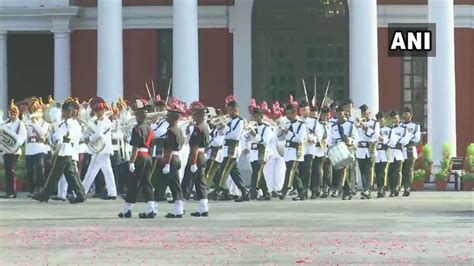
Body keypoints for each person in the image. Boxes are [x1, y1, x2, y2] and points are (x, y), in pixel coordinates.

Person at [31, 100, 86, 203]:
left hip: (64, 150)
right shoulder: (66, 123)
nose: (62, 113)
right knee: (70, 175)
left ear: (69, 112)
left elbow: (64, 134)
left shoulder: (71, 123)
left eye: (64, 111)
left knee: (55, 175)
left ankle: (44, 195)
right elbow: (57, 134)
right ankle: (80, 194)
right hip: (65, 150)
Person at [118, 102, 155, 218]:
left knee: (133, 184)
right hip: (148, 157)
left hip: (139, 157)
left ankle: (126, 210)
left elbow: (135, 147)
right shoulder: (150, 129)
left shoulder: (137, 128)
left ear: (140, 117)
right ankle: (151, 209)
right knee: (146, 183)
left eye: (137, 116)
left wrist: (132, 162)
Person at [81, 97, 117, 200]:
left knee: (91, 171)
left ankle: (82, 191)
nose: (96, 113)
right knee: (108, 171)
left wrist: (89, 139)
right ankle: (112, 192)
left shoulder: (102, 120)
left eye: (97, 111)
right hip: (106, 149)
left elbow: (98, 134)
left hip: (100, 149)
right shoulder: (107, 120)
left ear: (101, 110)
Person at [214, 101, 249, 202]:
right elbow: (221, 134)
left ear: (235, 110)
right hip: (226, 148)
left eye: (230, 110)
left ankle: (218, 190)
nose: (228, 112)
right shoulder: (229, 120)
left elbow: (235, 136)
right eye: (227, 110)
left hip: (233, 148)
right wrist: (219, 126)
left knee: (223, 170)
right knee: (234, 173)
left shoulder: (240, 121)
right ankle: (244, 192)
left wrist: (225, 127)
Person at [181, 103, 211, 216]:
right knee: (200, 183)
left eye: (194, 115)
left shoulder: (198, 128)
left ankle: (180, 207)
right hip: (202, 156)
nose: (192, 117)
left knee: (187, 182)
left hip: (196, 157)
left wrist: (193, 163)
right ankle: (203, 208)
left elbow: (194, 147)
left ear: (199, 115)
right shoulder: (205, 126)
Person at [160, 109, 187, 218]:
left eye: (169, 117)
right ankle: (178, 210)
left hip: (171, 159)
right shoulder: (179, 129)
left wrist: (166, 164)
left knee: (161, 186)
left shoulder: (171, 131)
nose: (167, 118)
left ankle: (151, 209)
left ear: (174, 118)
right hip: (177, 158)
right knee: (175, 186)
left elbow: (169, 149)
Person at [328, 106, 359, 200]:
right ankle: (347, 191)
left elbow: (356, 138)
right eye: (337, 114)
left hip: (347, 149)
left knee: (344, 169)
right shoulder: (333, 126)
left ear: (344, 114)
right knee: (341, 170)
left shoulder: (350, 125)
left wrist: (349, 140)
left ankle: (340, 187)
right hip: (338, 150)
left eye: (340, 114)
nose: (339, 116)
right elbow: (331, 139)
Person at [279, 103, 307, 200]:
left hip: (296, 151)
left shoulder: (301, 125)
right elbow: (281, 138)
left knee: (290, 171)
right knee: (295, 173)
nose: (288, 116)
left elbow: (299, 139)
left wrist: (289, 133)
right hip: (288, 151)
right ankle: (301, 192)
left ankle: (284, 191)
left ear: (295, 113)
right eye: (287, 114)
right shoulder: (286, 124)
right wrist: (280, 131)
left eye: (290, 114)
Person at [1, 100, 27, 198]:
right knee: (8, 171)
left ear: (18, 114)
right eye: (11, 114)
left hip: (14, 151)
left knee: (11, 171)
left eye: (14, 114)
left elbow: (22, 137)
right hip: (5, 150)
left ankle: (12, 192)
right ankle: (8, 191)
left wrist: (15, 144)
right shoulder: (6, 123)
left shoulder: (20, 124)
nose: (12, 115)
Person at [24, 97, 50, 195]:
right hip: (30, 148)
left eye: (37, 110)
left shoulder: (45, 123)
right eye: (33, 109)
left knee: (40, 167)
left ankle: (40, 187)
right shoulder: (27, 122)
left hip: (40, 147)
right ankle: (31, 188)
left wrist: (35, 122)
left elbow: (42, 133)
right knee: (29, 170)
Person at [246, 107, 272, 201]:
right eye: (253, 117)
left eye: (256, 117)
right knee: (259, 174)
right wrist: (248, 133)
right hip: (253, 153)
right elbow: (247, 139)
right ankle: (266, 193)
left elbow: (265, 141)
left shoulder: (266, 128)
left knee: (256, 173)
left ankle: (253, 191)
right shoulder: (252, 126)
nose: (254, 119)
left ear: (261, 117)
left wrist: (255, 135)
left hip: (261, 153)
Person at [355, 104, 380, 199]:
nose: (365, 115)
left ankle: (367, 190)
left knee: (369, 169)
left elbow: (376, 135)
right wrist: (358, 125)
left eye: (367, 113)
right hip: (361, 149)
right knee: (362, 170)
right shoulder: (357, 123)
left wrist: (365, 127)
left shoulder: (375, 123)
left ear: (369, 113)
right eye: (363, 114)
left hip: (370, 148)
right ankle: (366, 188)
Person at [387, 111, 412, 197]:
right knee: (390, 172)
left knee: (397, 171)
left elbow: (405, 140)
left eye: (396, 118)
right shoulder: (388, 128)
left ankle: (397, 188)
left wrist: (394, 140)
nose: (394, 120)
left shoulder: (403, 128)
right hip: (390, 151)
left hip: (398, 151)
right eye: (393, 118)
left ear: (399, 119)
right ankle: (392, 189)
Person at [150, 100, 171, 202]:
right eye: (156, 109)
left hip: (162, 149)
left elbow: (158, 133)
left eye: (160, 109)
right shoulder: (159, 121)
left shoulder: (167, 122)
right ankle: (158, 193)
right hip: (155, 149)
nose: (157, 111)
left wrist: (153, 123)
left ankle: (160, 193)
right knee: (157, 173)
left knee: (159, 172)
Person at [400, 106, 421, 197]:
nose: (405, 115)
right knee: (399, 169)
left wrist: (406, 138)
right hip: (400, 150)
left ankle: (407, 187)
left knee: (408, 169)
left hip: (410, 149)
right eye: (404, 113)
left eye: (407, 113)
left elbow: (416, 137)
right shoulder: (399, 125)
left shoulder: (415, 126)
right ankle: (398, 186)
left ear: (411, 115)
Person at [311, 106, 331, 199]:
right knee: (317, 170)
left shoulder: (330, 125)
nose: (326, 117)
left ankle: (326, 189)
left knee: (327, 171)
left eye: (327, 115)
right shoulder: (317, 124)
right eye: (324, 115)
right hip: (319, 151)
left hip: (328, 150)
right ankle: (316, 189)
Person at [299, 100, 317, 200]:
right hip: (300, 149)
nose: (303, 111)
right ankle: (303, 190)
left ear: (309, 110)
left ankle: (311, 190)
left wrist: (313, 139)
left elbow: (318, 135)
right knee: (301, 170)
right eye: (301, 110)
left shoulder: (314, 121)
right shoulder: (297, 121)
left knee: (309, 170)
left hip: (310, 149)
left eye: (305, 109)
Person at [374, 112, 390, 198]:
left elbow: (391, 141)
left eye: (381, 119)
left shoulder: (388, 130)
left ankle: (382, 188)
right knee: (377, 172)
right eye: (378, 119)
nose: (379, 121)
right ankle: (379, 187)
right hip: (376, 153)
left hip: (384, 152)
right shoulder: (374, 130)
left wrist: (383, 139)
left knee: (383, 171)